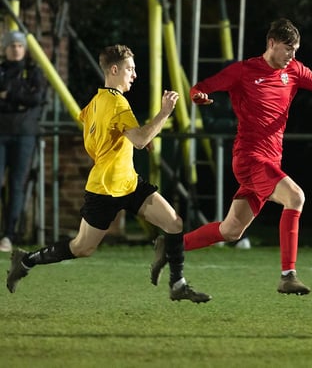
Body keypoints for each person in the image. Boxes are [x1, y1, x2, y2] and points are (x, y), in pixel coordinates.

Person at [150, 18, 312, 295]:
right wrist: (198, 96)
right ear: (271, 43)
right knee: (295, 197)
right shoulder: (244, 71)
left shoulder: (295, 71)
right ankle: (288, 276)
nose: (292, 55)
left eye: (296, 50)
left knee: (231, 231)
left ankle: (171, 244)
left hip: (269, 162)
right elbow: (202, 86)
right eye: (288, 48)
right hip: (250, 159)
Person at [6, 44, 211, 303]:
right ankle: (25, 260)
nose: (134, 75)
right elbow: (137, 139)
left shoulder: (95, 102)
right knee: (82, 247)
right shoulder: (116, 103)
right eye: (130, 69)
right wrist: (164, 112)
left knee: (174, 223)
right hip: (105, 188)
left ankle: (178, 284)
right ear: (114, 70)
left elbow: (108, 135)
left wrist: (134, 138)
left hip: (128, 182)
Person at [0, 30, 48, 252]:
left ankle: (8, 235)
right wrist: (20, 100)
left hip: (25, 134)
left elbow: (36, 98)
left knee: (17, 184)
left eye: (19, 46)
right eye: (12, 46)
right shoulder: (2, 70)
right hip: (2, 132)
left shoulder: (33, 72)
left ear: (24, 49)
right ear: (5, 48)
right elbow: (27, 99)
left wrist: (8, 96)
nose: (16, 49)